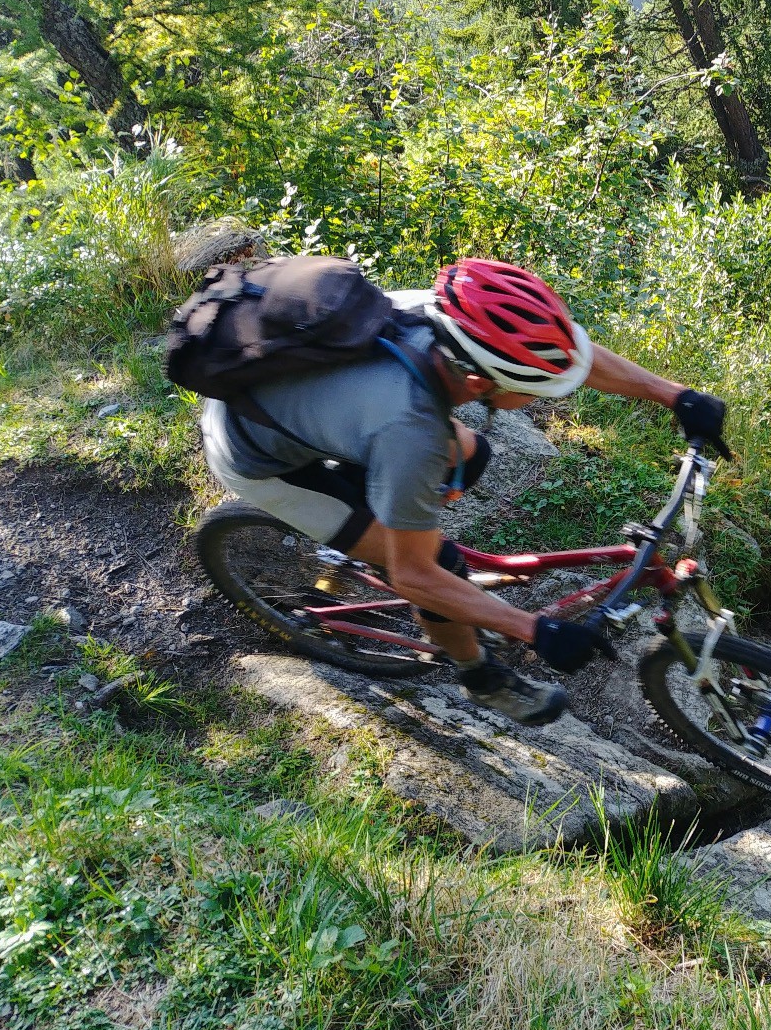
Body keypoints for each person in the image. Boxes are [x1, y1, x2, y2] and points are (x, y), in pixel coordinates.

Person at [199, 258, 727, 726]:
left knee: (473, 454)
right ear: (478, 382)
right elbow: (415, 574)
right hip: (259, 457)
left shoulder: (443, 319)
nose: (549, 393)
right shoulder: (410, 434)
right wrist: (533, 630)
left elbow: (564, 354)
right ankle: (476, 672)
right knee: (438, 569)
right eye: (536, 390)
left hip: (304, 408)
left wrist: (674, 395)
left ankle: (387, 526)